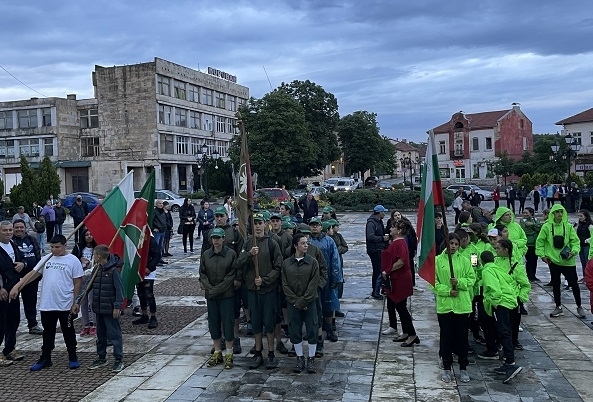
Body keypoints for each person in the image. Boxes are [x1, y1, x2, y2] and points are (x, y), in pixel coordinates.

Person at [9, 234, 83, 371]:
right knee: (48, 332)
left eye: (57, 247)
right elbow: (32, 274)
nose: (54, 250)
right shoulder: (46, 259)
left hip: (65, 303)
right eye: (52, 247)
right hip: (48, 303)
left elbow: (78, 282)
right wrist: (17, 287)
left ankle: (72, 355)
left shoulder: (73, 260)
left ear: (65, 245)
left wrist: (76, 302)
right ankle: (45, 357)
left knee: (68, 331)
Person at [236, 212, 283, 370]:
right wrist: (250, 254)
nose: (257, 226)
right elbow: (238, 263)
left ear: (265, 224)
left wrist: (265, 280)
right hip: (252, 290)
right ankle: (258, 352)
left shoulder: (272, 243)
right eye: (255, 223)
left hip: (268, 290)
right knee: (255, 322)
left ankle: (270, 352)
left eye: (260, 223)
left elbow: (278, 267)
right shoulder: (248, 243)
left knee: (269, 322)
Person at [435, 233, 475, 384]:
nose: (453, 246)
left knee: (462, 338)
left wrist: (459, 282)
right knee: (446, 337)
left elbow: (472, 278)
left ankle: (463, 367)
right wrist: (447, 291)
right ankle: (446, 366)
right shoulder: (438, 261)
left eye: (456, 244)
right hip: (445, 306)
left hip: (462, 306)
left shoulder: (465, 260)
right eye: (451, 243)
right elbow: (434, 283)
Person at [77, 245, 124, 372]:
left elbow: (120, 289)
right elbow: (87, 287)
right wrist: (78, 301)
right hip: (98, 308)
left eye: (94, 255)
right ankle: (101, 357)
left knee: (114, 335)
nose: (93, 257)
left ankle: (118, 359)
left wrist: (117, 306)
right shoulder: (96, 269)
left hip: (110, 308)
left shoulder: (113, 271)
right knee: (100, 335)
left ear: (98, 256)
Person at [480, 249, 523, 384]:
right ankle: (507, 362)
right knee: (506, 331)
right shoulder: (497, 268)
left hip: (501, 303)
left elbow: (495, 290)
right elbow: (509, 281)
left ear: (482, 261)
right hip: (510, 301)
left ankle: (510, 362)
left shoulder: (487, 271)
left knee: (503, 332)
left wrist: (494, 303)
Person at [535, 204, 586, 319]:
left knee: (574, 284)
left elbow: (575, 242)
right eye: (557, 212)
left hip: (568, 261)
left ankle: (579, 306)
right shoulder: (547, 227)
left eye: (561, 212)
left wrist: (573, 251)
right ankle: (558, 306)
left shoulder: (568, 226)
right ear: (552, 213)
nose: (559, 214)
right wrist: (542, 255)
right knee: (556, 284)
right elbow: (540, 242)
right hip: (553, 261)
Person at [282, 233, 320, 374]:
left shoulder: (312, 262)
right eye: (303, 243)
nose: (306, 245)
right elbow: (285, 284)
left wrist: (304, 300)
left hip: (309, 302)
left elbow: (313, 283)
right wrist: (295, 301)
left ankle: (311, 358)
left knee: (312, 329)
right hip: (293, 303)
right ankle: (299, 357)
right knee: (295, 330)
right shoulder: (287, 263)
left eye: (306, 243)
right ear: (295, 245)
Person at [200, 228, 237, 370]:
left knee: (228, 322)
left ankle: (229, 353)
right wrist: (209, 287)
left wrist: (216, 289)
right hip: (211, 296)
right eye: (213, 238)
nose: (215, 240)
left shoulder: (231, 254)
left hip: (226, 295)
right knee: (213, 323)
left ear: (223, 239)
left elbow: (231, 275)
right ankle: (217, 352)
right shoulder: (206, 255)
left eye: (218, 238)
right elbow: (202, 273)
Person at [381, 220, 417, 347]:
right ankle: (406, 332)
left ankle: (412, 334)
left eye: (393, 227)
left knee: (401, 306)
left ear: (399, 230)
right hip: (395, 279)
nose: (390, 229)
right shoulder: (395, 242)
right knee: (398, 305)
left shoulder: (400, 243)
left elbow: (401, 261)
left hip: (401, 279)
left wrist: (387, 270)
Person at [308, 217, 342, 345]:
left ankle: (329, 329)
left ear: (321, 227)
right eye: (312, 225)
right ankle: (314, 331)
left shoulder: (329, 241)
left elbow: (335, 260)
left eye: (316, 225)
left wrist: (336, 277)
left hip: (327, 279)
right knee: (313, 307)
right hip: (311, 280)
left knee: (328, 305)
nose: (314, 227)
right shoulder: (307, 241)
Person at [0, 220, 27, 366]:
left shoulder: (13, 244)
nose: (8, 233)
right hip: (2, 291)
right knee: (0, 323)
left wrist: (22, 264)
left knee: (13, 320)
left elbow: (20, 259)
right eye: (5, 230)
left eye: (10, 230)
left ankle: (9, 348)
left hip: (14, 290)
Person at [12, 219, 43, 335]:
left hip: (31, 277)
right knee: (13, 304)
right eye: (17, 227)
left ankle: (33, 324)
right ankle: (11, 326)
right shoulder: (11, 242)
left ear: (25, 228)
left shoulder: (31, 239)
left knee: (31, 302)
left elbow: (37, 255)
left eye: (21, 227)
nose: (19, 229)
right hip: (15, 279)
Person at [132, 234, 161, 329]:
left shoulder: (150, 239)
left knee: (149, 293)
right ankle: (144, 314)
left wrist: (150, 267)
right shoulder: (135, 237)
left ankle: (153, 316)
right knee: (140, 293)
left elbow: (157, 255)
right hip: (138, 270)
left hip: (148, 271)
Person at [72, 229, 97, 336]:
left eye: (91, 234)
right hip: (81, 277)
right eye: (86, 234)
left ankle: (94, 324)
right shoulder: (78, 247)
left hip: (93, 277)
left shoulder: (96, 248)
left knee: (92, 301)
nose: (89, 236)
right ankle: (86, 324)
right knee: (83, 301)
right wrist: (80, 260)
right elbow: (72, 260)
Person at [366, 205, 389, 300]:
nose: (384, 214)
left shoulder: (379, 221)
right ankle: (375, 291)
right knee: (377, 270)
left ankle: (379, 289)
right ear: (379, 213)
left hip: (379, 249)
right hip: (374, 250)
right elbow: (370, 236)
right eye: (383, 212)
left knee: (379, 269)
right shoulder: (371, 223)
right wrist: (382, 238)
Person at [520, 208, 542, 282]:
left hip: (535, 244)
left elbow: (540, 227)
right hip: (528, 244)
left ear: (531, 213)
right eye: (524, 213)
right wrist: (534, 229)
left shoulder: (535, 220)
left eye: (526, 213)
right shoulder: (522, 221)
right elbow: (526, 230)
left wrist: (532, 225)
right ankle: (529, 276)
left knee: (534, 260)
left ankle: (533, 275)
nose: (525, 214)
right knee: (529, 260)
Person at [575, 209, 592, 284]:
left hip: (587, 246)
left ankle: (589, 277)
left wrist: (587, 240)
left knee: (587, 262)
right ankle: (584, 276)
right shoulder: (579, 225)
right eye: (578, 216)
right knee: (582, 262)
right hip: (580, 246)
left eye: (581, 216)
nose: (579, 218)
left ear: (586, 216)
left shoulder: (590, 226)